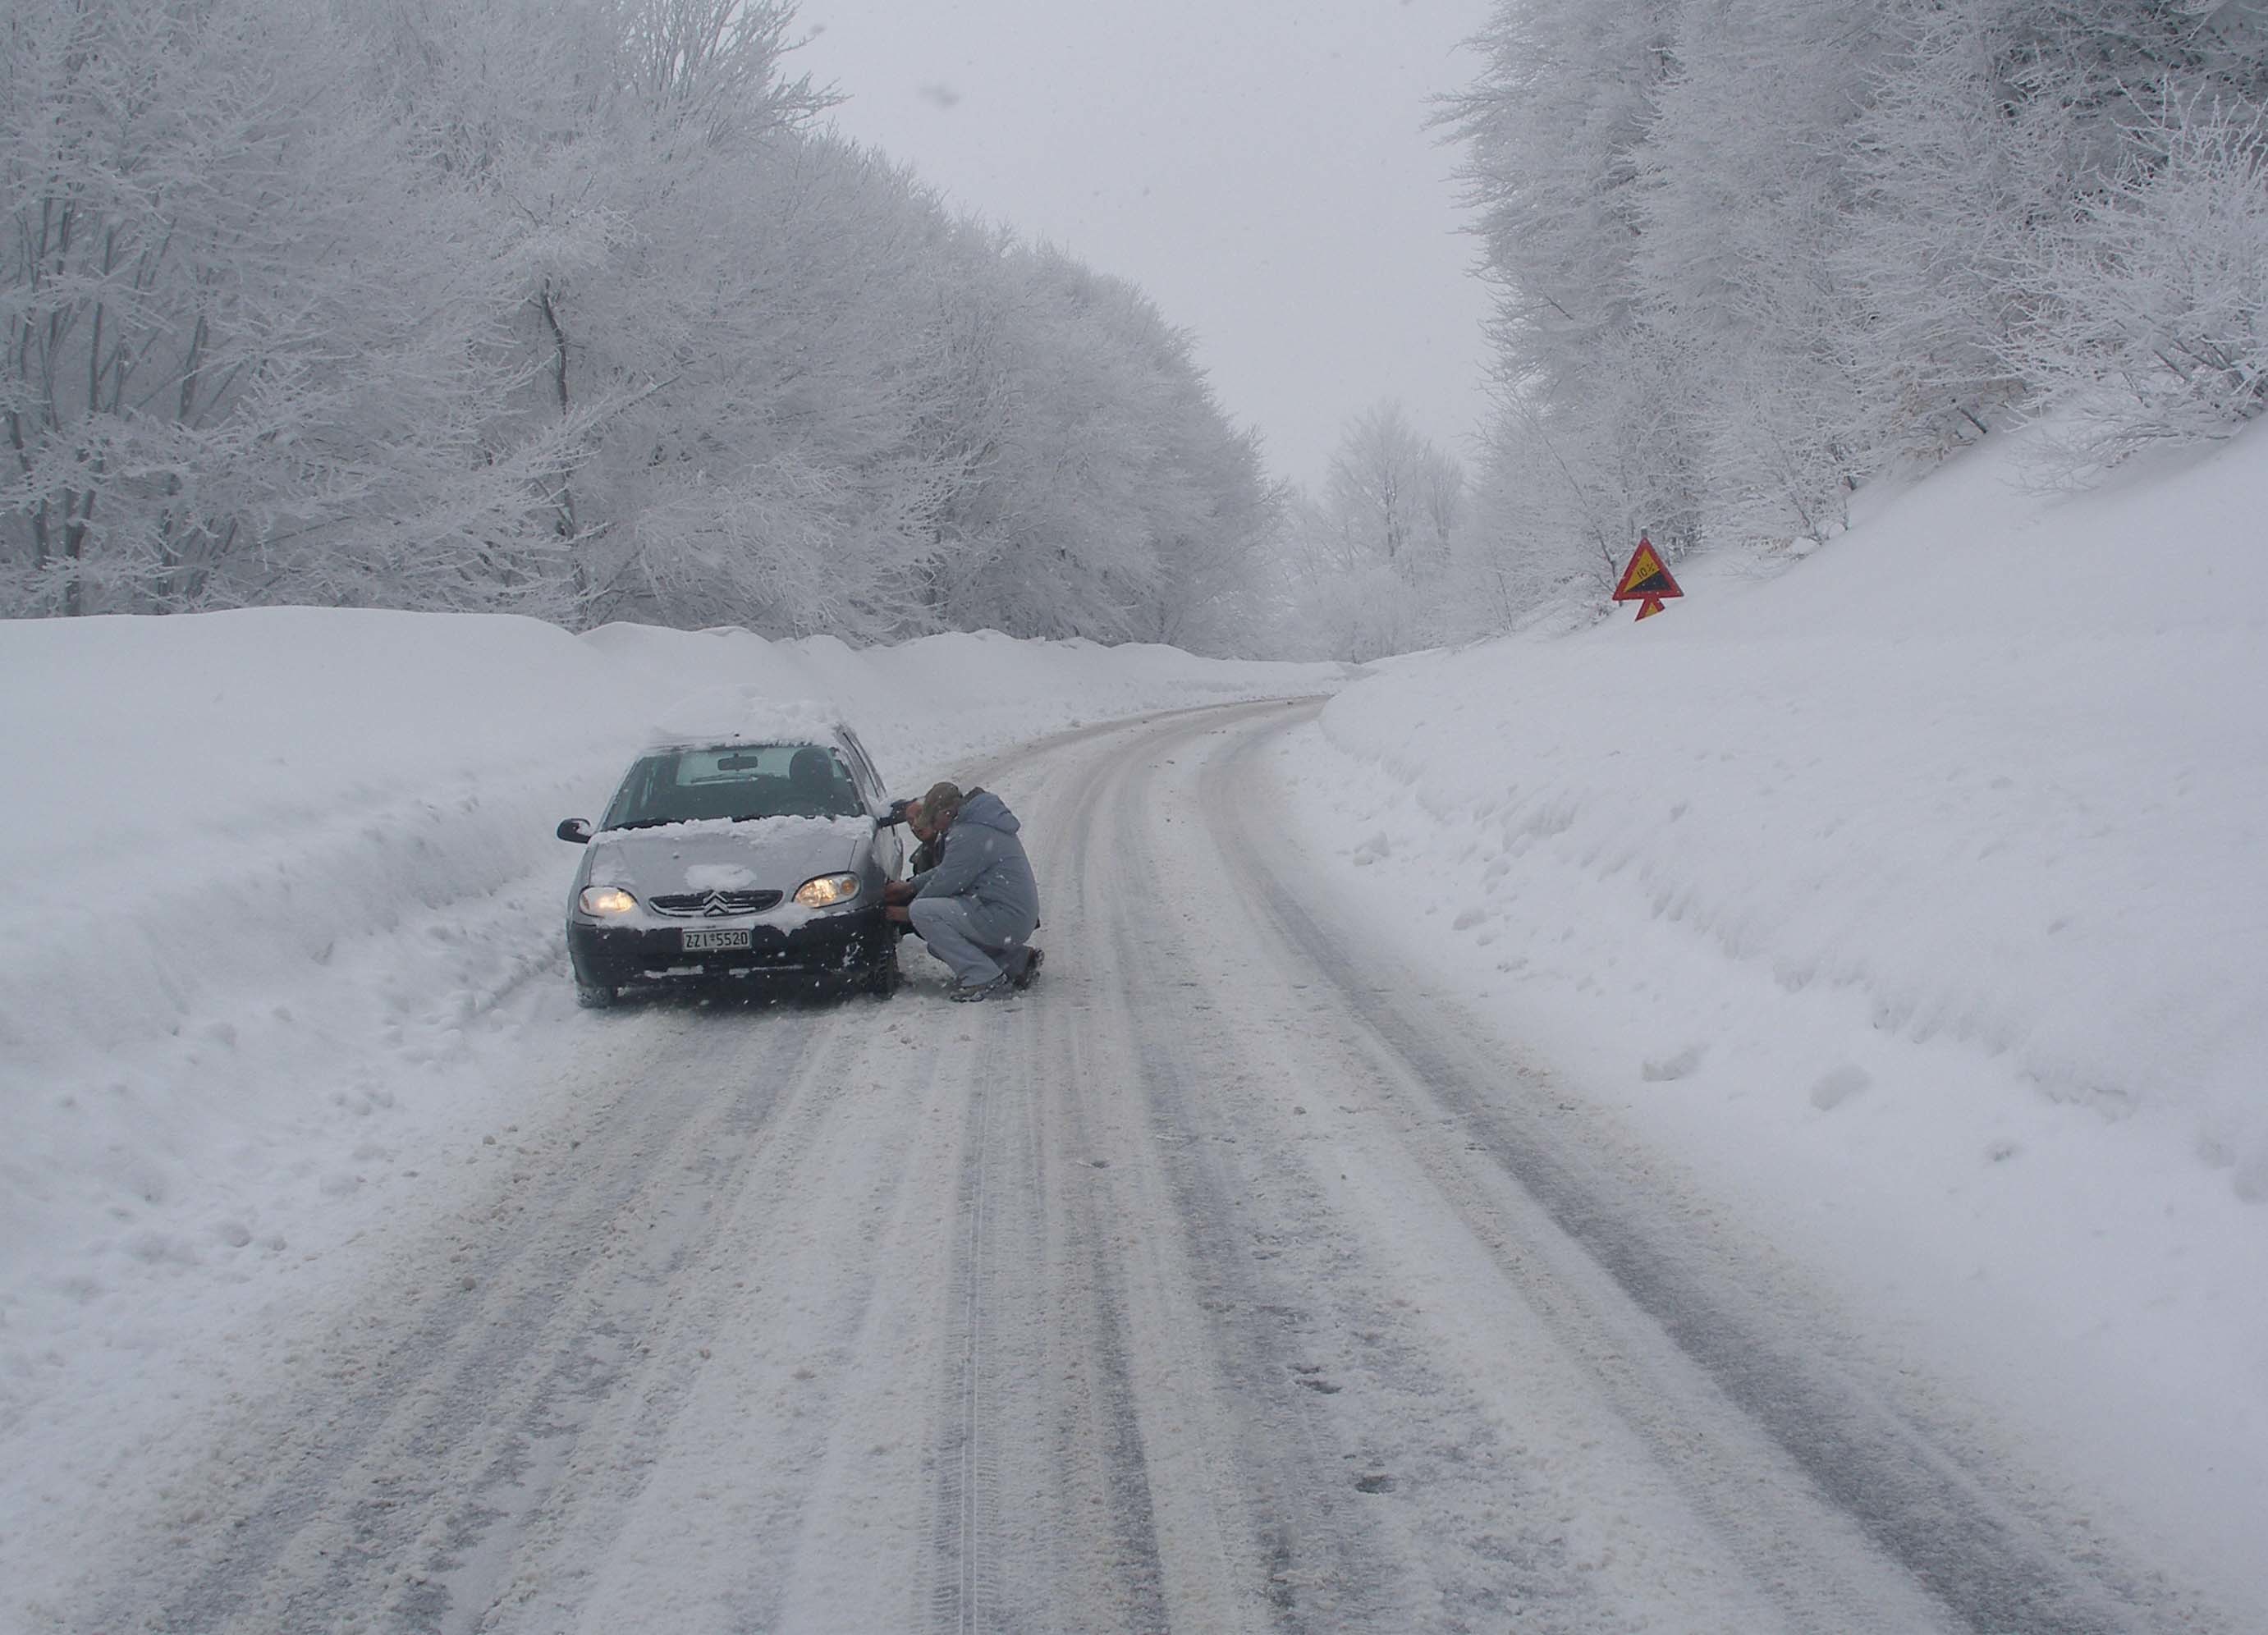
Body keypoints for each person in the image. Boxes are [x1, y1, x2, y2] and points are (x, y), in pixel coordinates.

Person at [882, 781, 1042, 1001]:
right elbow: (951, 869)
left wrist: (906, 912)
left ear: (947, 812)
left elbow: (946, 883)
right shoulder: (979, 824)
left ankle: (983, 978)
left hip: (1006, 917)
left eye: (934, 820)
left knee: (923, 913)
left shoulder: (967, 833)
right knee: (939, 946)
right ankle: (1016, 962)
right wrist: (911, 886)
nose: (935, 827)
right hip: (1011, 914)